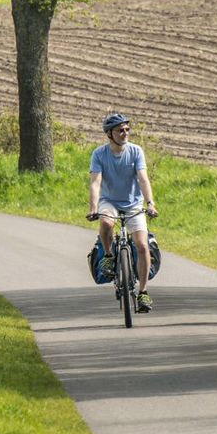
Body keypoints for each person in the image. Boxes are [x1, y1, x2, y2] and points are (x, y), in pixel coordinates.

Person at [88, 112, 158, 311]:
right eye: (120, 130)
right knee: (106, 223)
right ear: (110, 134)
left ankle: (143, 293)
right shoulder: (99, 154)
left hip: (133, 204)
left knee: (142, 245)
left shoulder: (136, 151)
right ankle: (109, 256)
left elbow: (143, 179)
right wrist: (94, 208)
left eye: (127, 129)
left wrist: (150, 203)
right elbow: (96, 182)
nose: (125, 133)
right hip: (109, 201)